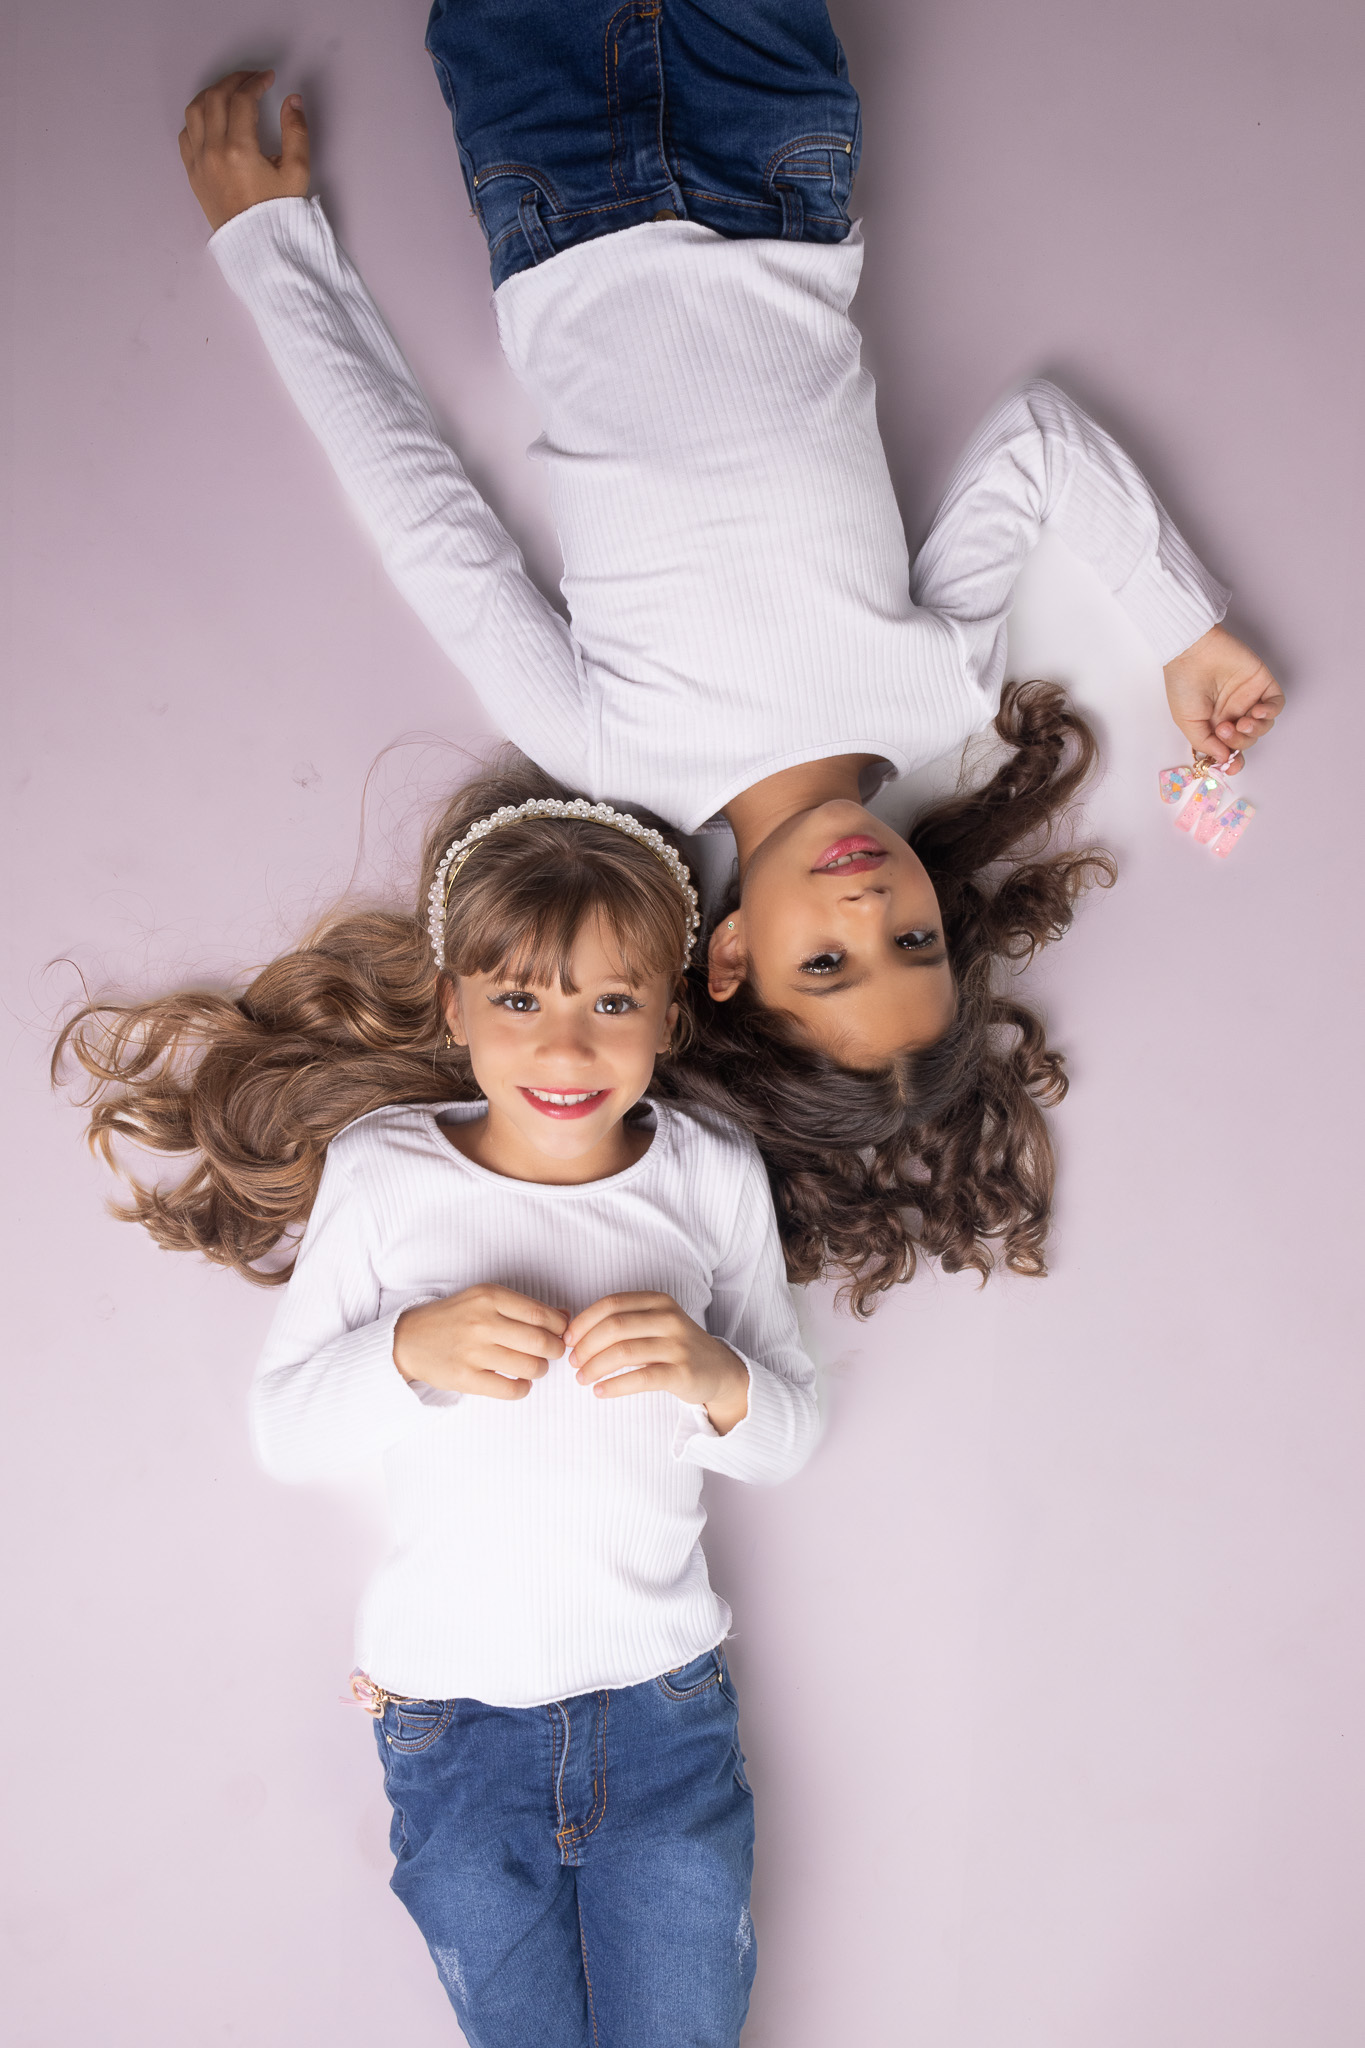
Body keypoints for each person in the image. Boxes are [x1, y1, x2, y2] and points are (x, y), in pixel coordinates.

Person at [175, 2, 1284, 1308]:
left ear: (732, 959)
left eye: (828, 963)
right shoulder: (935, 690)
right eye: (916, 947)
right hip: (778, 160)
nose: (871, 913)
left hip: (561, 185)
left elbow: (428, 522)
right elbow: (1037, 442)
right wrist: (1183, 631)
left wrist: (269, 249)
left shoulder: (614, 754)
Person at [57, 756, 817, 2047]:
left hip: (664, 1713)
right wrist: (408, 1348)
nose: (563, 1046)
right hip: (451, 1726)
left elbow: (792, 1436)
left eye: (611, 1001)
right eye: (519, 998)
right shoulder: (386, 1170)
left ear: (668, 1020)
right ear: (458, 1006)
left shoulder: (706, 1175)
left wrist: (712, 1373)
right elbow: (285, 1427)